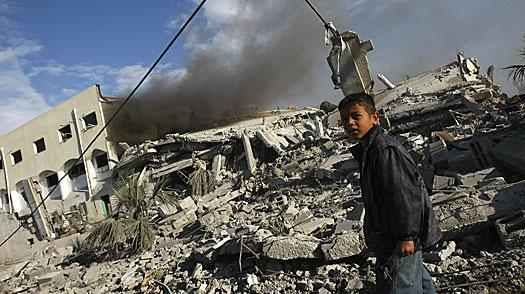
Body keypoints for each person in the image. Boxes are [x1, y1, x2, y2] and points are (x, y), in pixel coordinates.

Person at [338, 93, 442, 293]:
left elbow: (404, 194)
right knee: (415, 283)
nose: (350, 123)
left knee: (400, 286)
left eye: (356, 116)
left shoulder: (384, 150)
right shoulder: (370, 150)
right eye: (345, 119)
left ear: (374, 117)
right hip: (391, 237)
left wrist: (406, 236)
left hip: (398, 241)